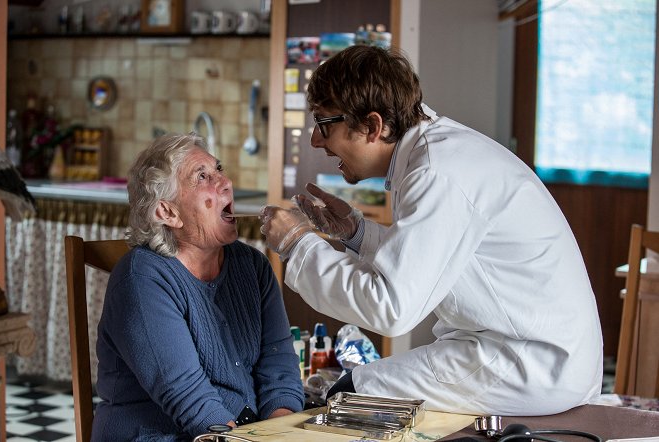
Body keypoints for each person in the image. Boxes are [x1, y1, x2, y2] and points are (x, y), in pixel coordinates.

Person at [260, 45, 603, 416]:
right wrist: (356, 234)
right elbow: (433, 259)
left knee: (349, 398)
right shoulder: (439, 155)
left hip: (533, 361)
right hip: (524, 346)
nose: (315, 140)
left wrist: (299, 244)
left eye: (325, 124)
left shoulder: (437, 172)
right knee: (359, 392)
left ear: (374, 126)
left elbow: (391, 309)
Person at [92, 133, 304, 441]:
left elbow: (280, 368)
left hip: (242, 435)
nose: (225, 182)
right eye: (202, 177)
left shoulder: (252, 265)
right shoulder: (142, 277)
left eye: (219, 169)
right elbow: (191, 401)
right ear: (168, 212)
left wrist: (280, 434)